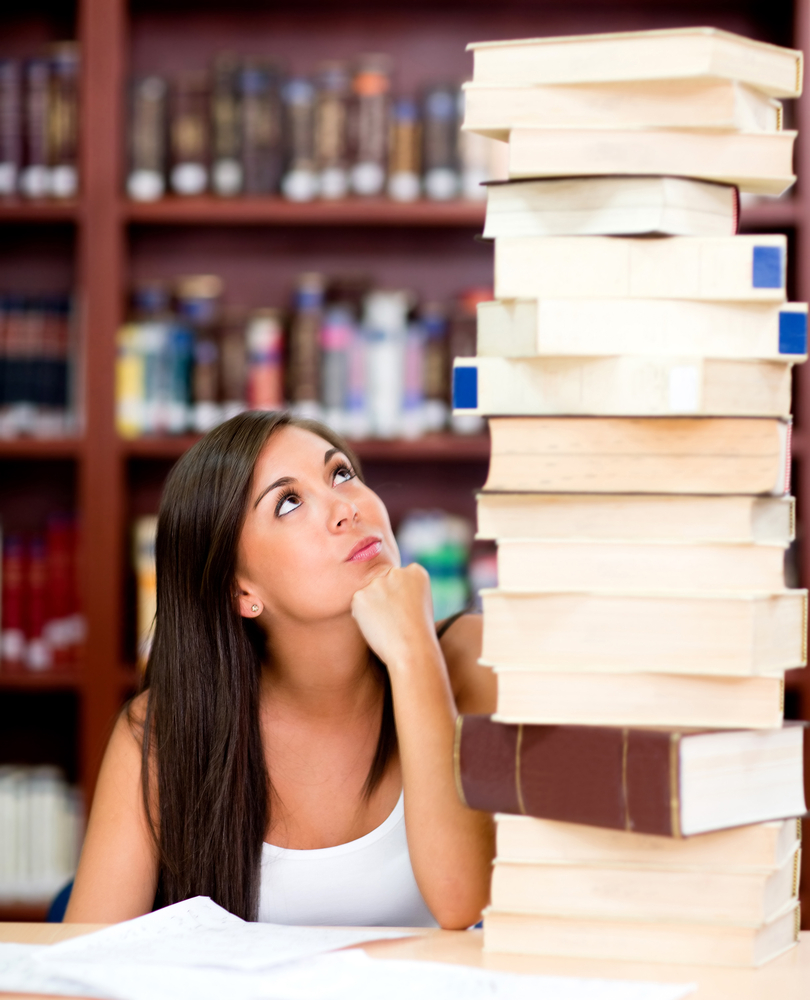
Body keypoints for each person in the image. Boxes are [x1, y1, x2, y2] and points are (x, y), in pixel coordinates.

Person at [65, 411, 496, 927]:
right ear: (240, 590)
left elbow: (463, 900)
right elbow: (85, 965)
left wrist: (413, 653)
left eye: (341, 473)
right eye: (288, 502)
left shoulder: (470, 657)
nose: (345, 508)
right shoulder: (161, 734)